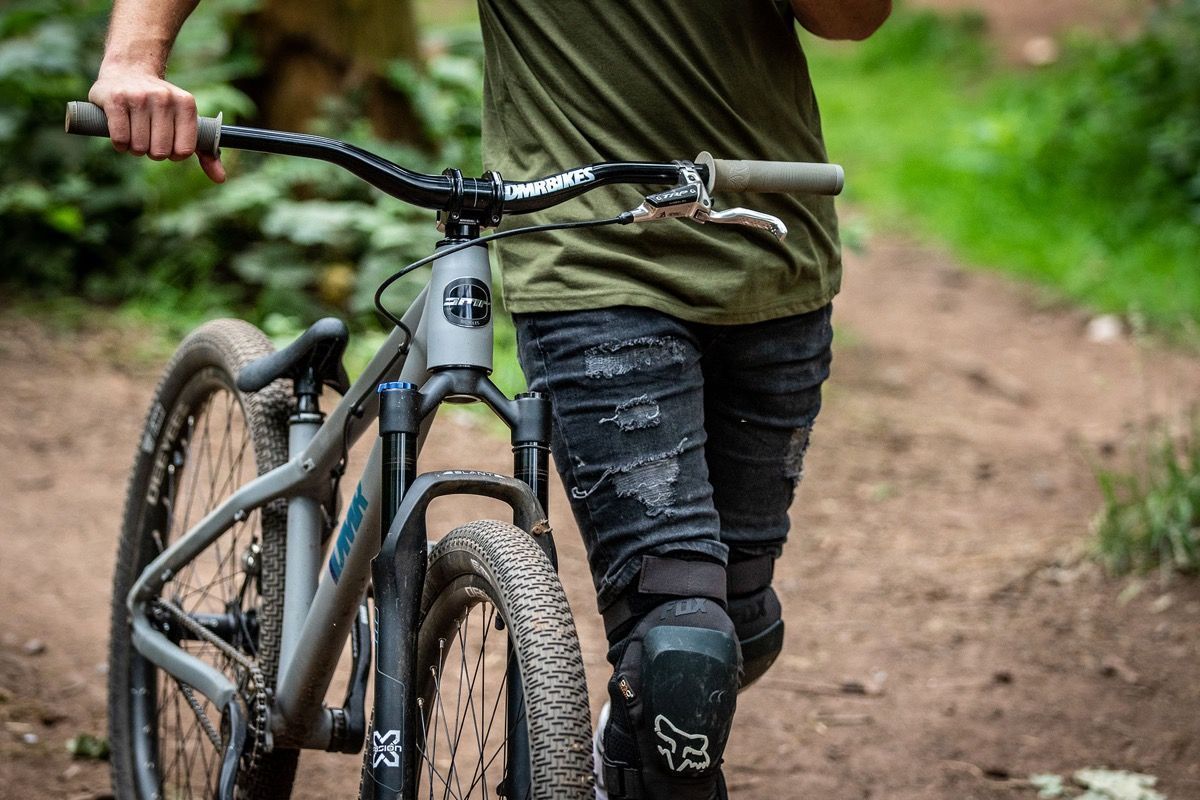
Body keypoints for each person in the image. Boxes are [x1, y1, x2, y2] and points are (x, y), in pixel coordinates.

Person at [90, 1, 891, 798]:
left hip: (774, 251)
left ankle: (614, 753)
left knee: (741, 631)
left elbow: (853, 21)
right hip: (594, 267)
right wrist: (132, 61)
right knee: (682, 654)